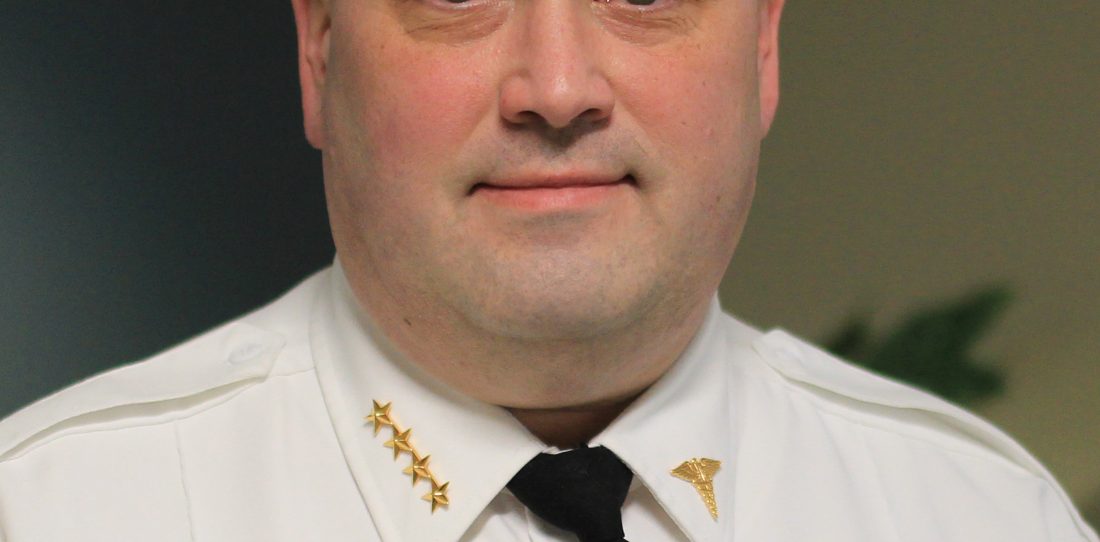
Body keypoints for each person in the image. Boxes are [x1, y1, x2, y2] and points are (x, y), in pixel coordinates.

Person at [0, 0, 1095, 539]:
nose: (559, 88)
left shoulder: (985, 519)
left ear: (763, 45)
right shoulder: (53, 514)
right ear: (318, 48)